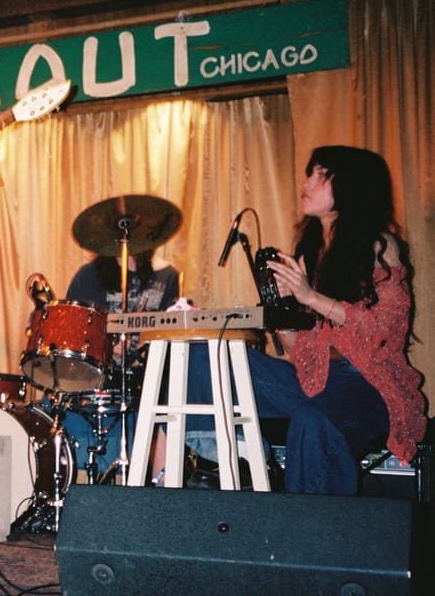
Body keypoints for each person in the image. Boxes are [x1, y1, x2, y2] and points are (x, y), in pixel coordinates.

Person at [191, 145, 425, 494]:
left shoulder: (380, 245)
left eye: (320, 174)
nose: (308, 182)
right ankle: (235, 457)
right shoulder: (311, 253)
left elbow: (386, 331)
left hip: (368, 384)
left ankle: (314, 536)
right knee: (207, 357)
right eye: (310, 173)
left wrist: (310, 297)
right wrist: (283, 311)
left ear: (349, 186)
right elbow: (299, 350)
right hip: (314, 380)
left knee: (312, 420)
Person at [58, 251, 180, 482]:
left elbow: (170, 331)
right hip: (100, 374)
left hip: (149, 375)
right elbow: (73, 336)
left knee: (175, 388)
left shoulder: (168, 276)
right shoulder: (87, 277)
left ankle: (162, 490)